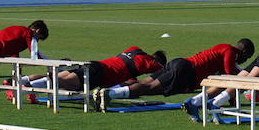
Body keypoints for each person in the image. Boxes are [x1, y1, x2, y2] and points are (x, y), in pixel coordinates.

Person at [92, 39, 254, 111]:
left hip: (181, 63)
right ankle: (110, 93)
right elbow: (229, 74)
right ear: (244, 52)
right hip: (186, 71)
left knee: (146, 83)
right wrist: (242, 82)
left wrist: (232, 98)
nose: (245, 60)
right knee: (149, 88)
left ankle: (111, 91)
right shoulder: (230, 51)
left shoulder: (222, 48)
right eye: (247, 57)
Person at [13, 46, 167, 99]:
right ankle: (21, 89)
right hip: (101, 75)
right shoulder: (150, 62)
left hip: (96, 64)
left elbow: (128, 71)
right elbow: (162, 72)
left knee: (59, 76)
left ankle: (22, 81)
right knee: (66, 84)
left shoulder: (134, 50)